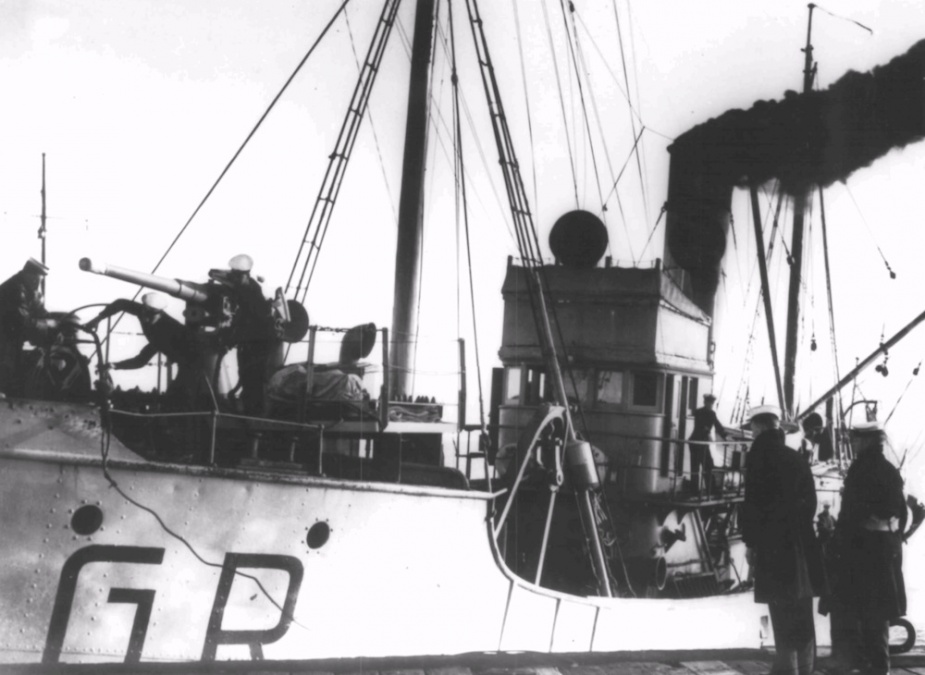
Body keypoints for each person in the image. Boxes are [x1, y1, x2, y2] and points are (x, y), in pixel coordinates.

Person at [742, 404, 823, 675]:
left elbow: (752, 504)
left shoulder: (757, 456)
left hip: (772, 544)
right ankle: (806, 667)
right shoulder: (796, 457)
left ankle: (786, 669)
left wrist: (751, 543)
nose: (751, 432)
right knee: (800, 606)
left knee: (779, 607)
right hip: (800, 543)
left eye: (752, 427)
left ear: (759, 426)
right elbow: (810, 502)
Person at [827, 421, 906, 675]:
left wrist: (836, 538)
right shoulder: (890, 470)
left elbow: (851, 513)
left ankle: (862, 665)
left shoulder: (860, 469)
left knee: (857, 611)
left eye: (857, 440)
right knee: (879, 613)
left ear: (868, 441)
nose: (853, 443)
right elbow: (901, 514)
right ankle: (881, 667)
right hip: (885, 551)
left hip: (860, 552)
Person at [84, 293, 204, 407]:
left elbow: (140, 361)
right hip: (182, 357)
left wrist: (115, 365)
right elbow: (120, 303)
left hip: (193, 362)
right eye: (143, 314)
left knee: (178, 399)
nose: (145, 319)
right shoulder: (144, 312)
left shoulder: (166, 331)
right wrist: (97, 319)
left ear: (159, 314)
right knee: (174, 398)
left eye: (149, 317)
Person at [226, 254, 279, 416]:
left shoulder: (251, 293)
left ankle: (256, 414)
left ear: (246, 275)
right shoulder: (247, 287)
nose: (234, 279)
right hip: (250, 341)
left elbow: (249, 318)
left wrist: (232, 335)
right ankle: (251, 409)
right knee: (247, 375)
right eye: (233, 275)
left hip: (258, 343)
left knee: (254, 377)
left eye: (237, 276)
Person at [0, 258, 57, 395]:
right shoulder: (15, 289)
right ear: (28, 275)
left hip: (12, 336)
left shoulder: (28, 288)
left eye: (40, 281)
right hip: (5, 336)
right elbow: (23, 322)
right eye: (36, 279)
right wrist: (47, 326)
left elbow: (39, 310)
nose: (38, 283)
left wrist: (54, 324)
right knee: (6, 368)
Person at [688, 393, 727, 494]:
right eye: (709, 403)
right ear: (705, 402)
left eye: (712, 403)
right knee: (704, 465)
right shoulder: (701, 412)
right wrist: (709, 433)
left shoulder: (707, 413)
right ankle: (707, 489)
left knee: (703, 465)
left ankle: (703, 489)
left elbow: (717, 425)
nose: (711, 405)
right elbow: (702, 426)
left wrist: (725, 436)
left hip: (698, 441)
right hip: (698, 442)